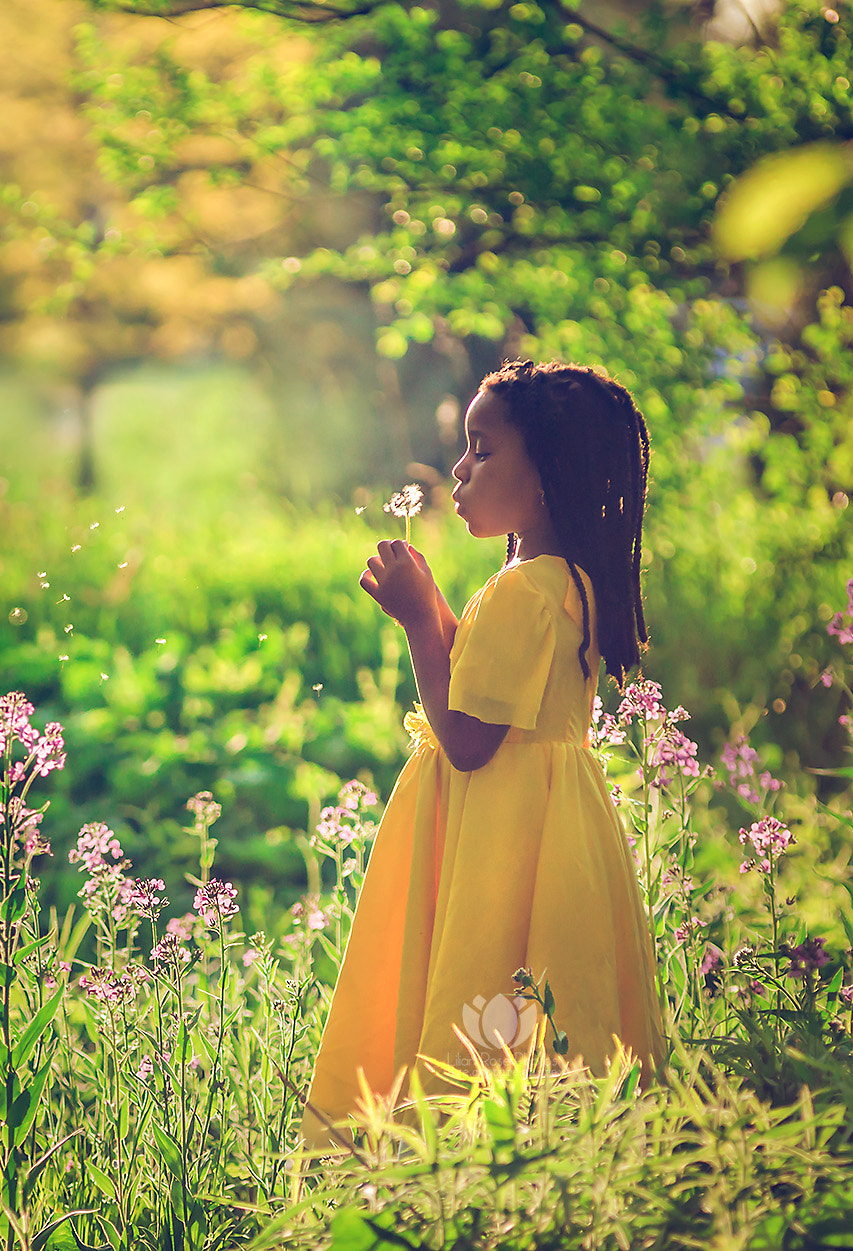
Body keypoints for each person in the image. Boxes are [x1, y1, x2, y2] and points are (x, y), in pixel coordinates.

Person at [298, 359, 668, 1155]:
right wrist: (436, 608)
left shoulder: (521, 590)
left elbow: (467, 739)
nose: (460, 469)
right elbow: (494, 692)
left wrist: (415, 624)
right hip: (549, 833)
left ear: (547, 475)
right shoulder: (563, 582)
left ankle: (452, 1167)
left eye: (483, 449)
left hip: (498, 843)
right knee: (545, 1002)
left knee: (481, 981)